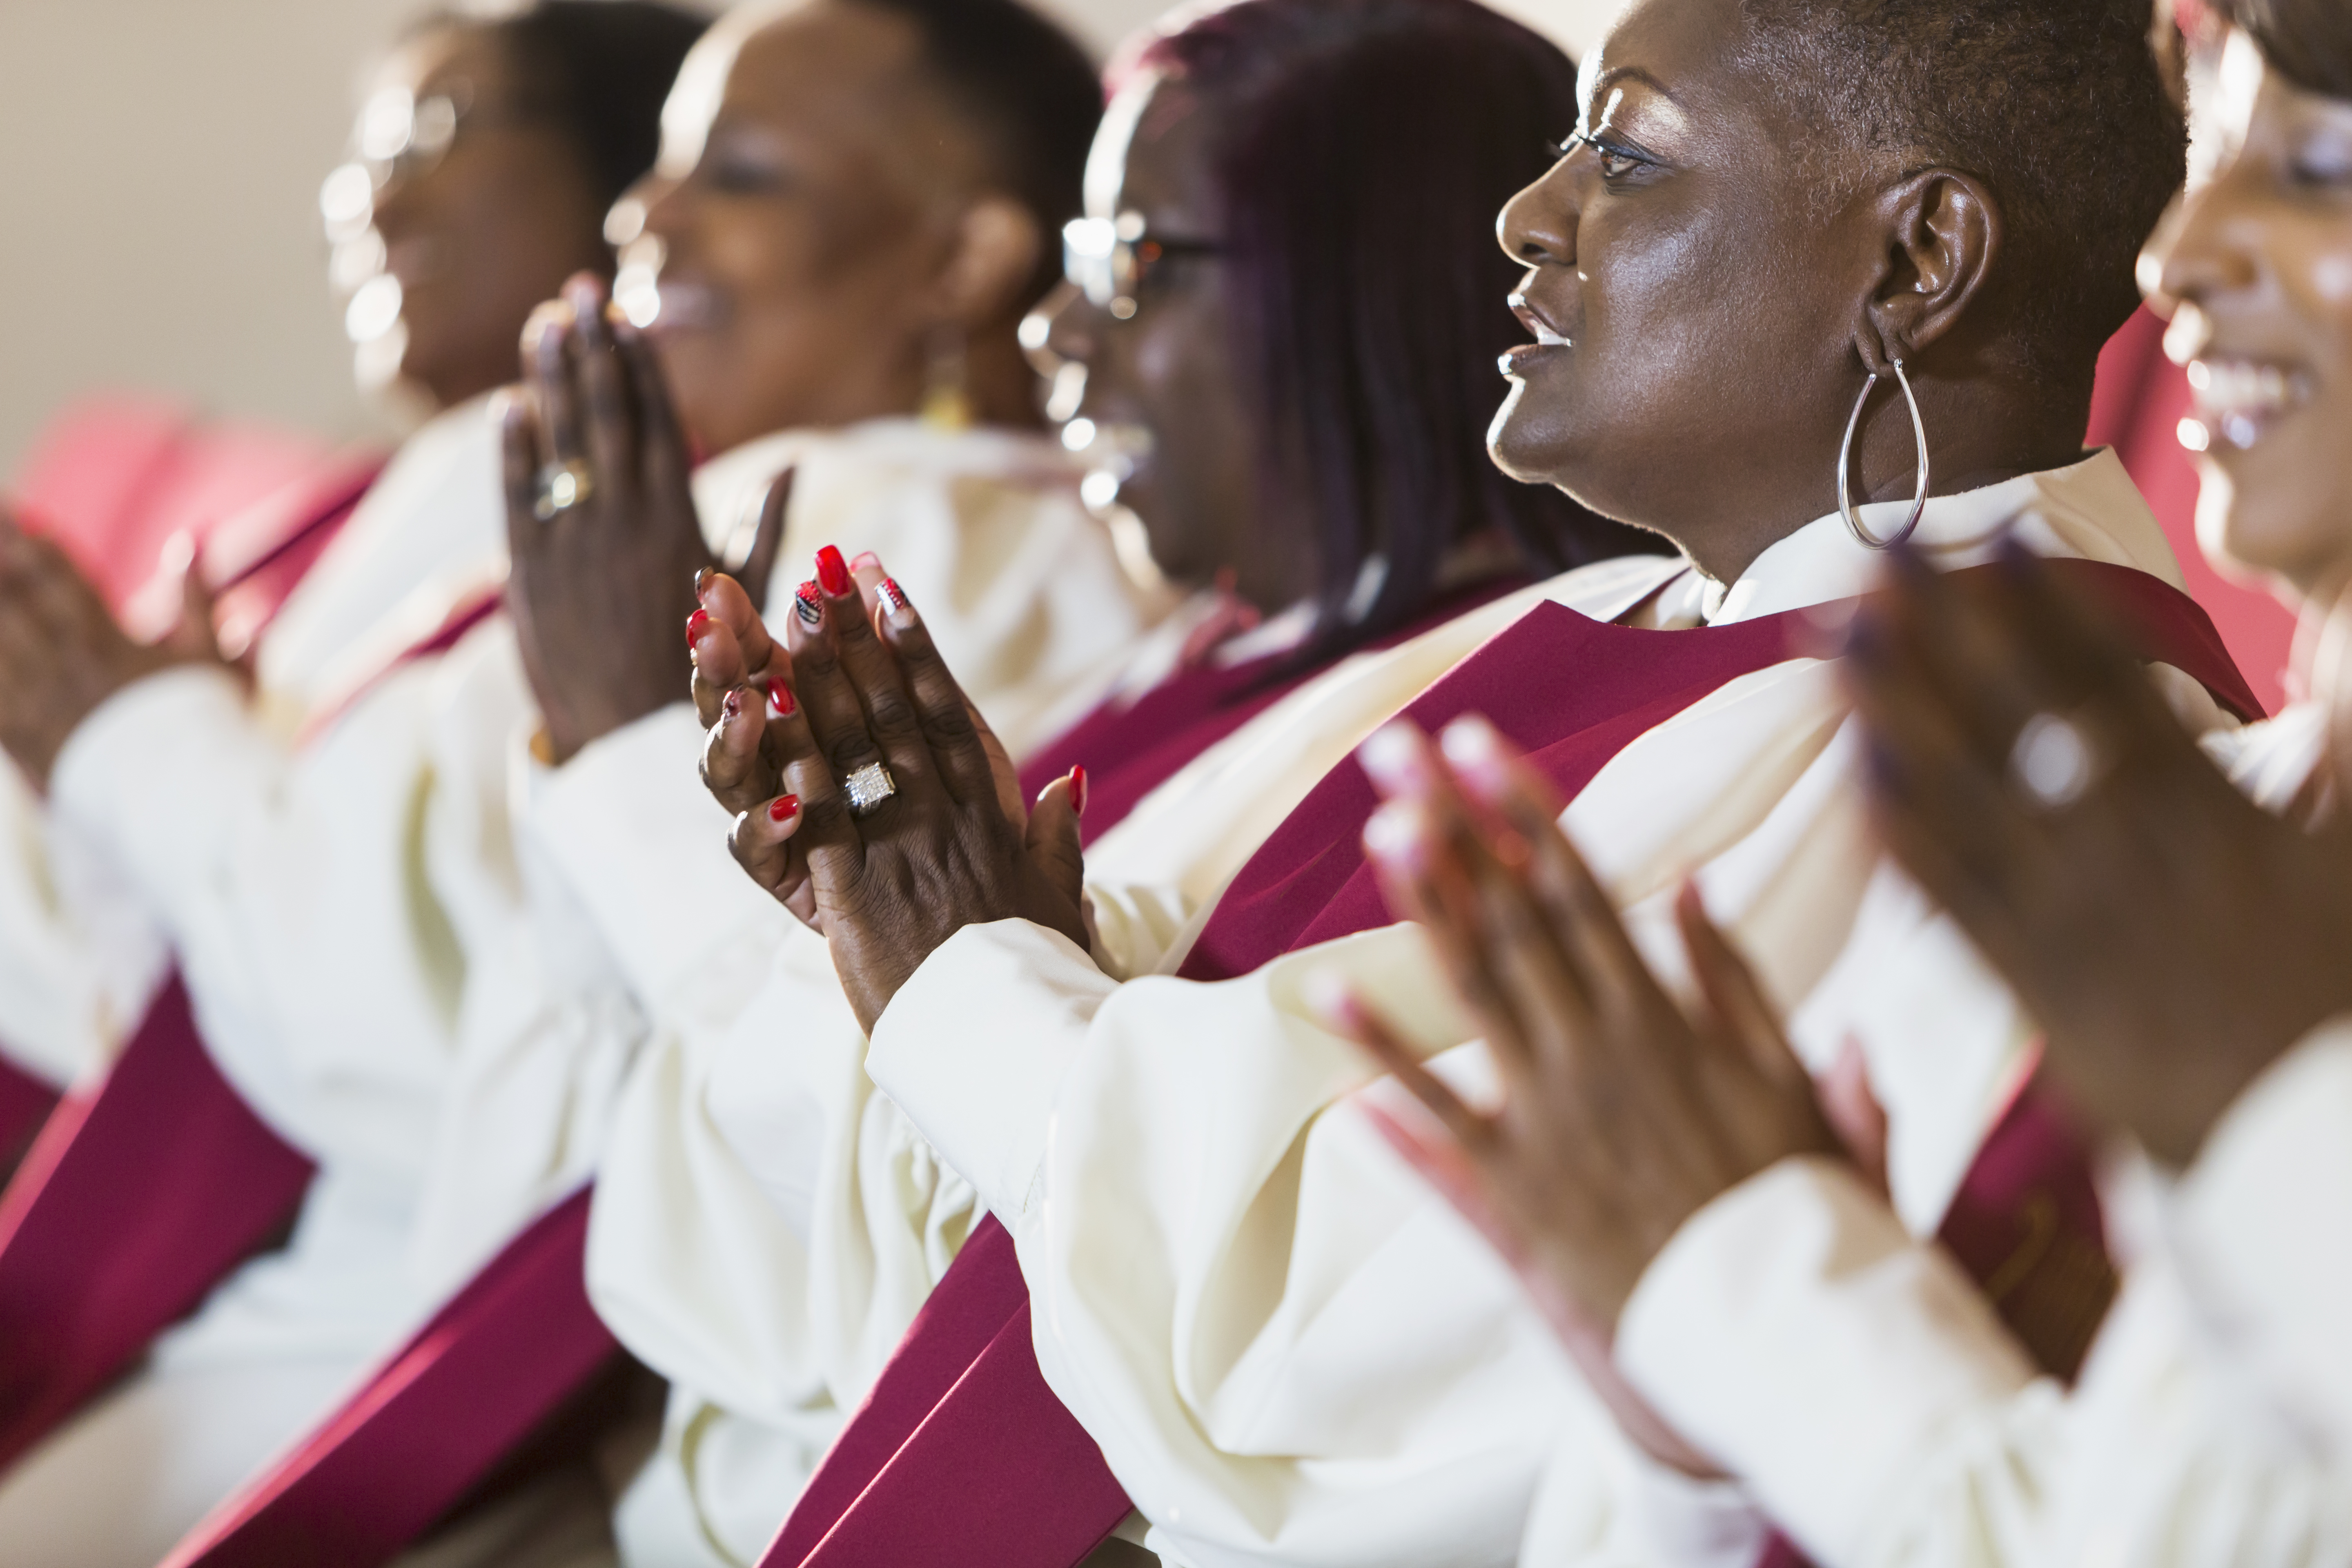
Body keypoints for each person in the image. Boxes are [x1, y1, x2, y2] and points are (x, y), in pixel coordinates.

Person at [679, 0, 2244, 1561]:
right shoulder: (1636, 626)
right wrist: (922, 920)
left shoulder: (2007, 770)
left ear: (1916, 264)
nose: (1529, 213)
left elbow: (1384, 1338)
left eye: (1626, 155)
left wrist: (969, 980)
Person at [577, 1, 1639, 1560]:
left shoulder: (1489, 723)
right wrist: (878, 933)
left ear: (1357, 277)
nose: (1056, 335)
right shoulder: (1202, 654)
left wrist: (933, 968)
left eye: (1126, 267)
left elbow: (1156, 1277)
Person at [1325, 5, 2352, 1563]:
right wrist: (1692, 1400)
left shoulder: (2071, 768)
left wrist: (1748, 1286)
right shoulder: (2238, 816)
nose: (2178, 257)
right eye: (2220, 156)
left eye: (2325, 162)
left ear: (1920, 258)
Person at [0, 7, 704, 1564]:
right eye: (372, 151)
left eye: (446, 139)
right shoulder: (375, 505)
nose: (375, 200)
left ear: (626, 177)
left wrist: (123, 746)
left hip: (355, 1267)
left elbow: (384, 1014)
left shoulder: (642, 532)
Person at [480, 2, 1173, 1561]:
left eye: (739, 170)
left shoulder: (915, 544)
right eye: (661, 161)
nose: (643, 217)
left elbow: (827, 1107)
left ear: (966, 259)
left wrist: (614, 747)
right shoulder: (768, 505)